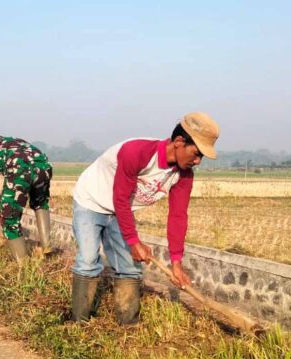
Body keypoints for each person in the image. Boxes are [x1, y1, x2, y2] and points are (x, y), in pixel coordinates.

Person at [70, 112, 220, 325]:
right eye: (196, 154)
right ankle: (79, 323)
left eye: (201, 157)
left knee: (129, 267)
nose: (197, 161)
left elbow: (178, 216)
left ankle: (129, 324)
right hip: (91, 201)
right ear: (179, 142)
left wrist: (176, 263)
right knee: (87, 261)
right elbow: (120, 198)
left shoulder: (183, 175)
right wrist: (133, 241)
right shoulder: (137, 152)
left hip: (120, 211)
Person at [0, 131, 53, 261]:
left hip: (19, 168)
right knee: (40, 203)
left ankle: (23, 265)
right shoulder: (13, 141)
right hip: (44, 167)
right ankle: (47, 247)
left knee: (8, 219)